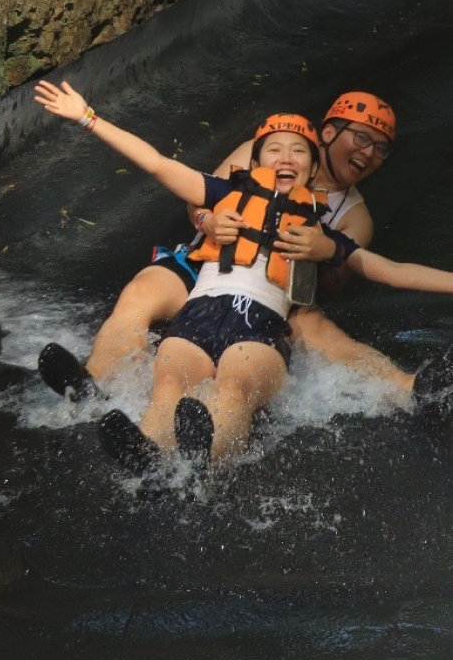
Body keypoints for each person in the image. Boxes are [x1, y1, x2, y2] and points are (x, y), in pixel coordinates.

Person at [32, 80, 453, 466]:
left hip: (271, 300)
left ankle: (408, 387)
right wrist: (208, 223)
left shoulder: (350, 218)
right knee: (141, 298)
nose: (368, 153)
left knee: (304, 341)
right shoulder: (259, 157)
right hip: (206, 268)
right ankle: (94, 388)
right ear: (328, 134)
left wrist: (322, 250)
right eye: (362, 137)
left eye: (381, 148)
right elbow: (178, 181)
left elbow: (362, 276)